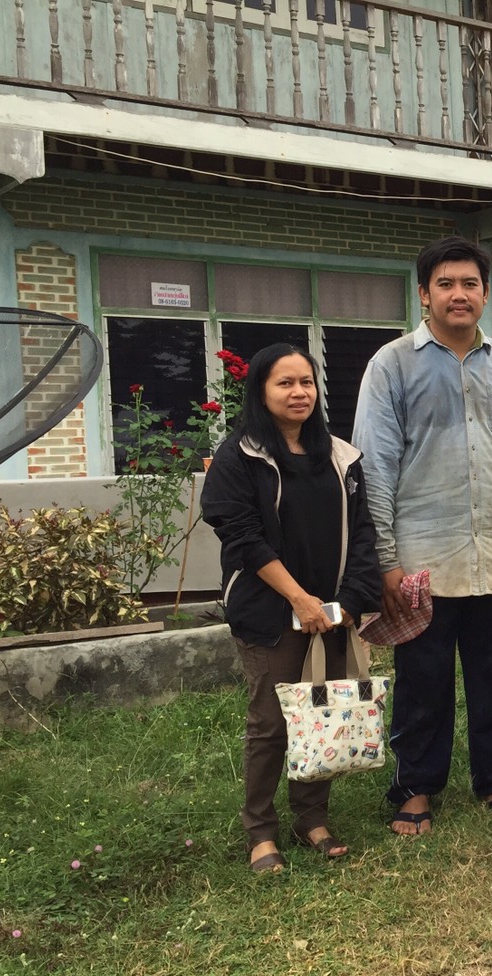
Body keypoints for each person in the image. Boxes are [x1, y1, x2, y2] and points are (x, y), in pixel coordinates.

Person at [352, 236, 492, 835]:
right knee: (424, 682)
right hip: (423, 562)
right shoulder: (391, 366)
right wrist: (386, 560)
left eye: (470, 284)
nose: (458, 294)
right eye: (445, 284)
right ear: (425, 294)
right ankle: (416, 786)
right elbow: (375, 467)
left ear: (486, 294)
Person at [201, 343, 382, 873]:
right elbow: (243, 537)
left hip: (332, 613)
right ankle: (260, 830)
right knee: (271, 724)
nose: (299, 392)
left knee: (321, 711)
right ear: (261, 391)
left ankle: (311, 817)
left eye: (306, 382)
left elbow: (363, 533)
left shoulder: (340, 456)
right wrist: (299, 600)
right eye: (285, 383)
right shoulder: (239, 457)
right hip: (271, 612)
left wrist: (350, 601)